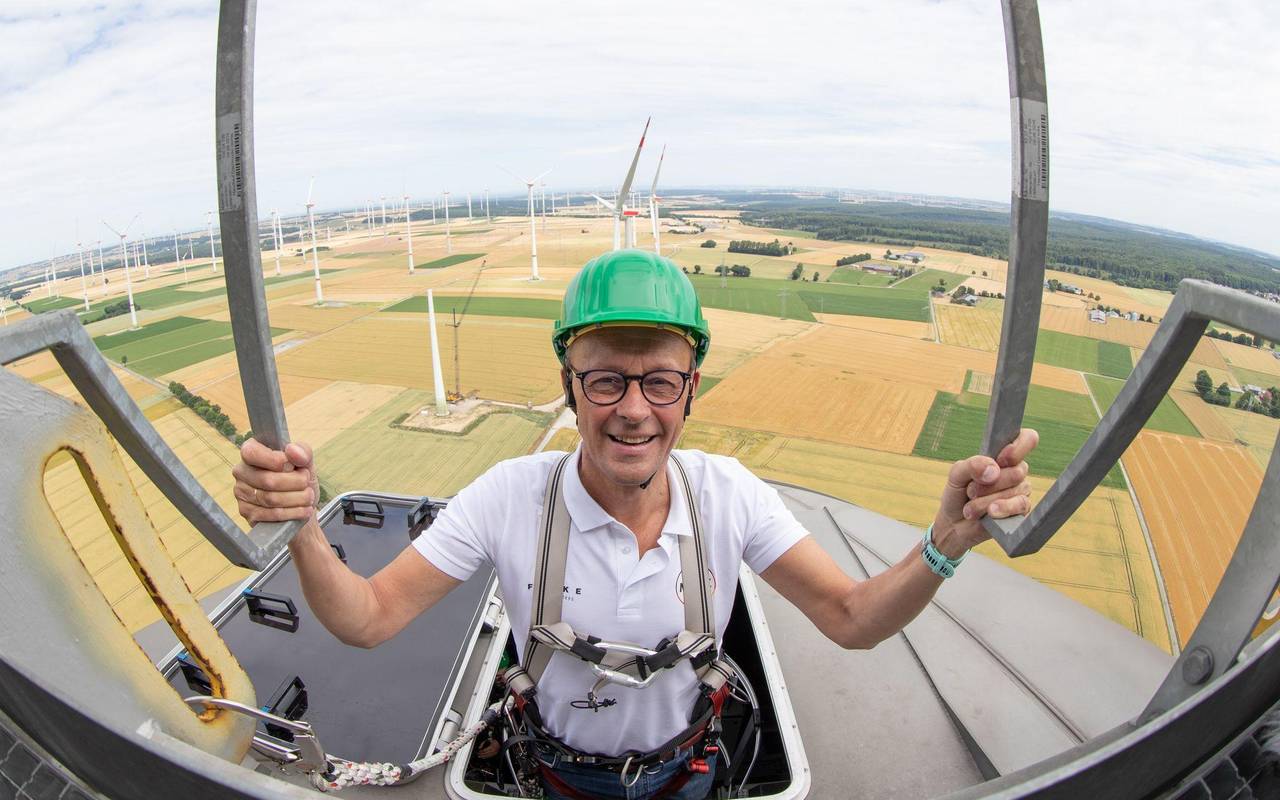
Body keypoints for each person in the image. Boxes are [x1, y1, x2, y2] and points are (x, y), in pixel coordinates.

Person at [233, 249, 1037, 800]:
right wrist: (301, 525)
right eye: (606, 380)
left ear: (692, 390)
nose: (632, 410)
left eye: (659, 381)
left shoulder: (729, 495)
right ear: (569, 386)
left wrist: (946, 542)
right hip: (554, 778)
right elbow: (366, 620)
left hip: (687, 774)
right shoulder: (509, 496)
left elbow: (854, 620)